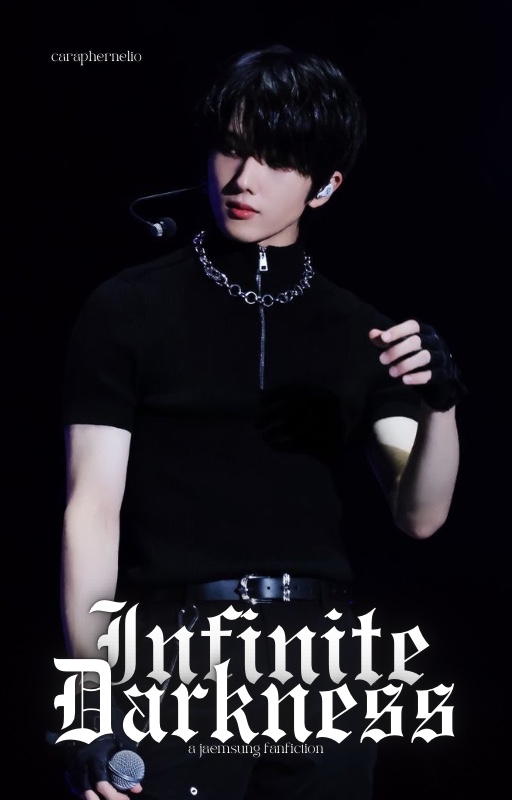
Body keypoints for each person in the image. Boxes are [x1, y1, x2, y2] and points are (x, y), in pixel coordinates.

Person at [53, 44, 466, 800]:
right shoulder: (127, 309)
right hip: (171, 654)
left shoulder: (359, 329)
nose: (244, 178)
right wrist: (87, 696)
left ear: (326, 185)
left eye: (278, 159)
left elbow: (422, 515)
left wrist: (441, 404)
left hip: (321, 663)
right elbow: (91, 508)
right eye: (232, 147)